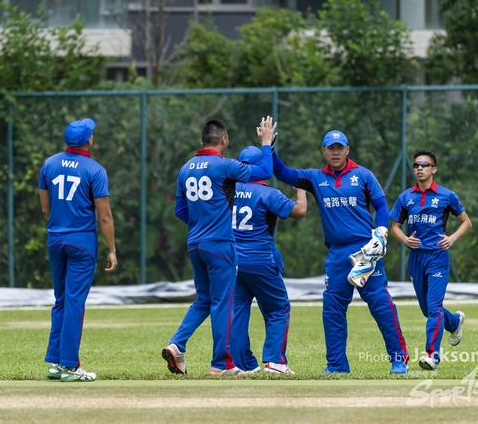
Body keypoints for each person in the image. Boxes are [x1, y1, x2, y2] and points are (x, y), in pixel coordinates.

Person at [271, 130, 409, 374]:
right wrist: (269, 148)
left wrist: (381, 230)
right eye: (330, 148)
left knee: (379, 301)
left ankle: (399, 359)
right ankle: (336, 365)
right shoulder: (315, 178)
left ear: (347, 150)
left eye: (339, 148)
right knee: (332, 307)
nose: (335, 152)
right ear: (323, 151)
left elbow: (380, 205)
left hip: (365, 250)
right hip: (337, 254)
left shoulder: (363, 175)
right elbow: (283, 173)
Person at [162, 117, 276, 376]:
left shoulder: (185, 168)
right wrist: (266, 143)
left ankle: (176, 344)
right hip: (220, 244)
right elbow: (263, 172)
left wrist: (201, 223)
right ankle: (221, 364)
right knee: (223, 302)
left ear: (202, 140)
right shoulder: (225, 165)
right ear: (224, 139)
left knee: (204, 299)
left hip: (195, 244)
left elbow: (180, 210)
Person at [38, 118, 117, 382]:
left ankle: (55, 362)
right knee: (74, 303)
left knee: (61, 300)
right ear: (89, 140)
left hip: (55, 240)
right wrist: (112, 249)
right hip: (81, 242)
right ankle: (70, 366)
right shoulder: (95, 170)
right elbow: (104, 216)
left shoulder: (49, 164)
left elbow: (46, 209)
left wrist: (61, 226)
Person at [390, 150, 472, 371]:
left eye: (424, 165)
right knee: (428, 310)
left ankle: (432, 356)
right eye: (416, 165)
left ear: (433, 169)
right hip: (416, 259)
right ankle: (454, 322)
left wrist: (452, 238)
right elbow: (394, 227)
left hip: (437, 257)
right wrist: (406, 239)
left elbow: (466, 222)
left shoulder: (447, 195)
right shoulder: (405, 197)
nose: (419, 168)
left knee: (434, 308)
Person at [230, 145, 308, 375]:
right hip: (261, 260)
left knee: (236, 313)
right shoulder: (267, 192)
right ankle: (275, 361)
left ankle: (243, 364)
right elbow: (299, 211)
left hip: (232, 262)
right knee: (278, 309)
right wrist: (301, 190)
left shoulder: (227, 190)